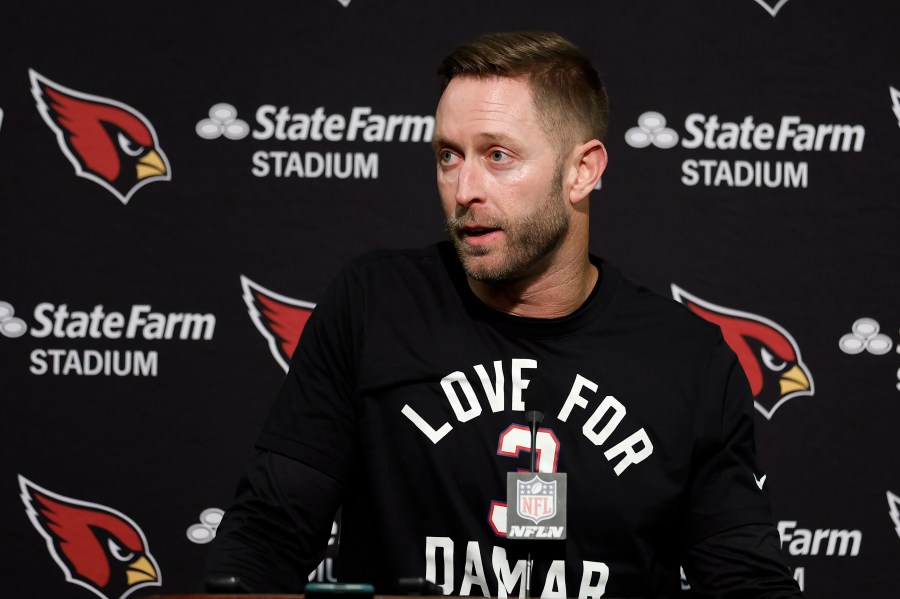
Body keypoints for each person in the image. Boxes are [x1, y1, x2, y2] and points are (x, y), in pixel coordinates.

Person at [204, 31, 802, 598]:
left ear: (582, 171)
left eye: (497, 155)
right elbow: (268, 535)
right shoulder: (375, 303)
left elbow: (745, 579)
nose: (464, 188)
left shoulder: (688, 360)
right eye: (447, 155)